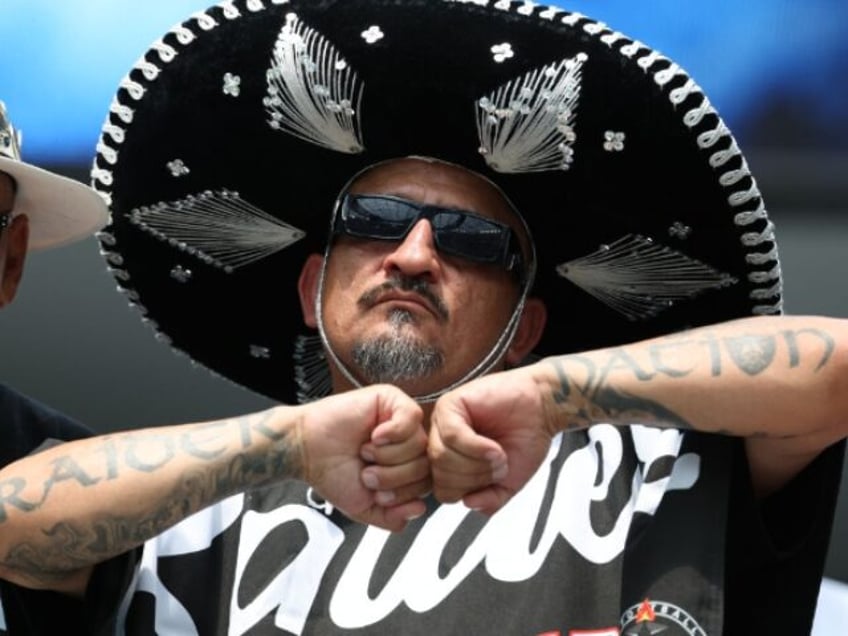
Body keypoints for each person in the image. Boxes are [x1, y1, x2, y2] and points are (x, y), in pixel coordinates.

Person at [1, 1, 846, 634]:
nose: (410, 254)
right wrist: (285, 445)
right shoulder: (185, 518)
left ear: (525, 325)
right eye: (369, 224)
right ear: (309, 288)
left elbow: (836, 368)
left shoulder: (658, 467)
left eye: (469, 239)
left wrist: (557, 397)